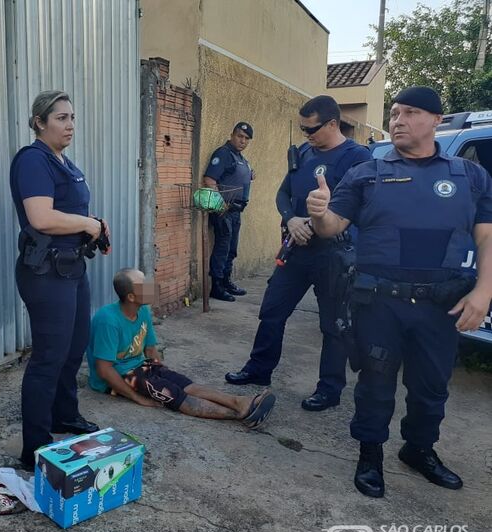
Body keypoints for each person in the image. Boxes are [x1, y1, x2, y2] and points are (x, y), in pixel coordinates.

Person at [307, 86, 492, 498]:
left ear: (435, 121)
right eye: (394, 112)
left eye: (410, 113)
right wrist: (320, 213)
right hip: (380, 303)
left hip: (440, 305)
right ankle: (370, 454)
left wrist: (484, 291)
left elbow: (486, 238)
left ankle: (419, 449)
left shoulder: (469, 176)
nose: (398, 120)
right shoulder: (366, 173)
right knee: (375, 382)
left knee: (431, 386)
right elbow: (333, 227)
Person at [225, 96, 372, 412]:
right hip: (298, 249)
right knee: (272, 309)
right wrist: (292, 219)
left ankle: (329, 389)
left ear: (332, 123)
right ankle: (258, 369)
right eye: (303, 128)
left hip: (334, 254)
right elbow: (283, 194)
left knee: (333, 325)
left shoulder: (358, 157)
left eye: (312, 128)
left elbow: (358, 203)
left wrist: (318, 220)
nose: (307, 134)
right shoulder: (304, 153)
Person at [10, 90, 111, 468]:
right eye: (61, 118)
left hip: (71, 267)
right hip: (45, 272)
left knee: (74, 346)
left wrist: (95, 228)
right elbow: (41, 217)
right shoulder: (33, 160)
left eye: (72, 117)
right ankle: (34, 446)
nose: (70, 125)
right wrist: (88, 223)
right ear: (39, 122)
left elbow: (69, 210)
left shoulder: (63, 161)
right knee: (48, 358)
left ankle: (63, 415)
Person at [87, 269, 276, 428]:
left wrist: (160, 370)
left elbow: (150, 348)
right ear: (131, 296)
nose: (151, 286)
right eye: (143, 284)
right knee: (175, 395)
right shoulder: (108, 320)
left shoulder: (142, 310)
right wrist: (137, 397)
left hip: (140, 366)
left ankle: (238, 402)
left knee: (184, 384)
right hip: (119, 376)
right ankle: (239, 414)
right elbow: (104, 370)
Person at [203, 122, 255, 301]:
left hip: (236, 211)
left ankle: (226, 281)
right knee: (223, 248)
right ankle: (216, 287)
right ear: (232, 135)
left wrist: (249, 174)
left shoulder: (239, 157)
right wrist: (219, 205)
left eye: (246, 138)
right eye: (240, 136)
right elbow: (210, 180)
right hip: (224, 210)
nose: (243, 141)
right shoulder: (223, 153)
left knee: (231, 249)